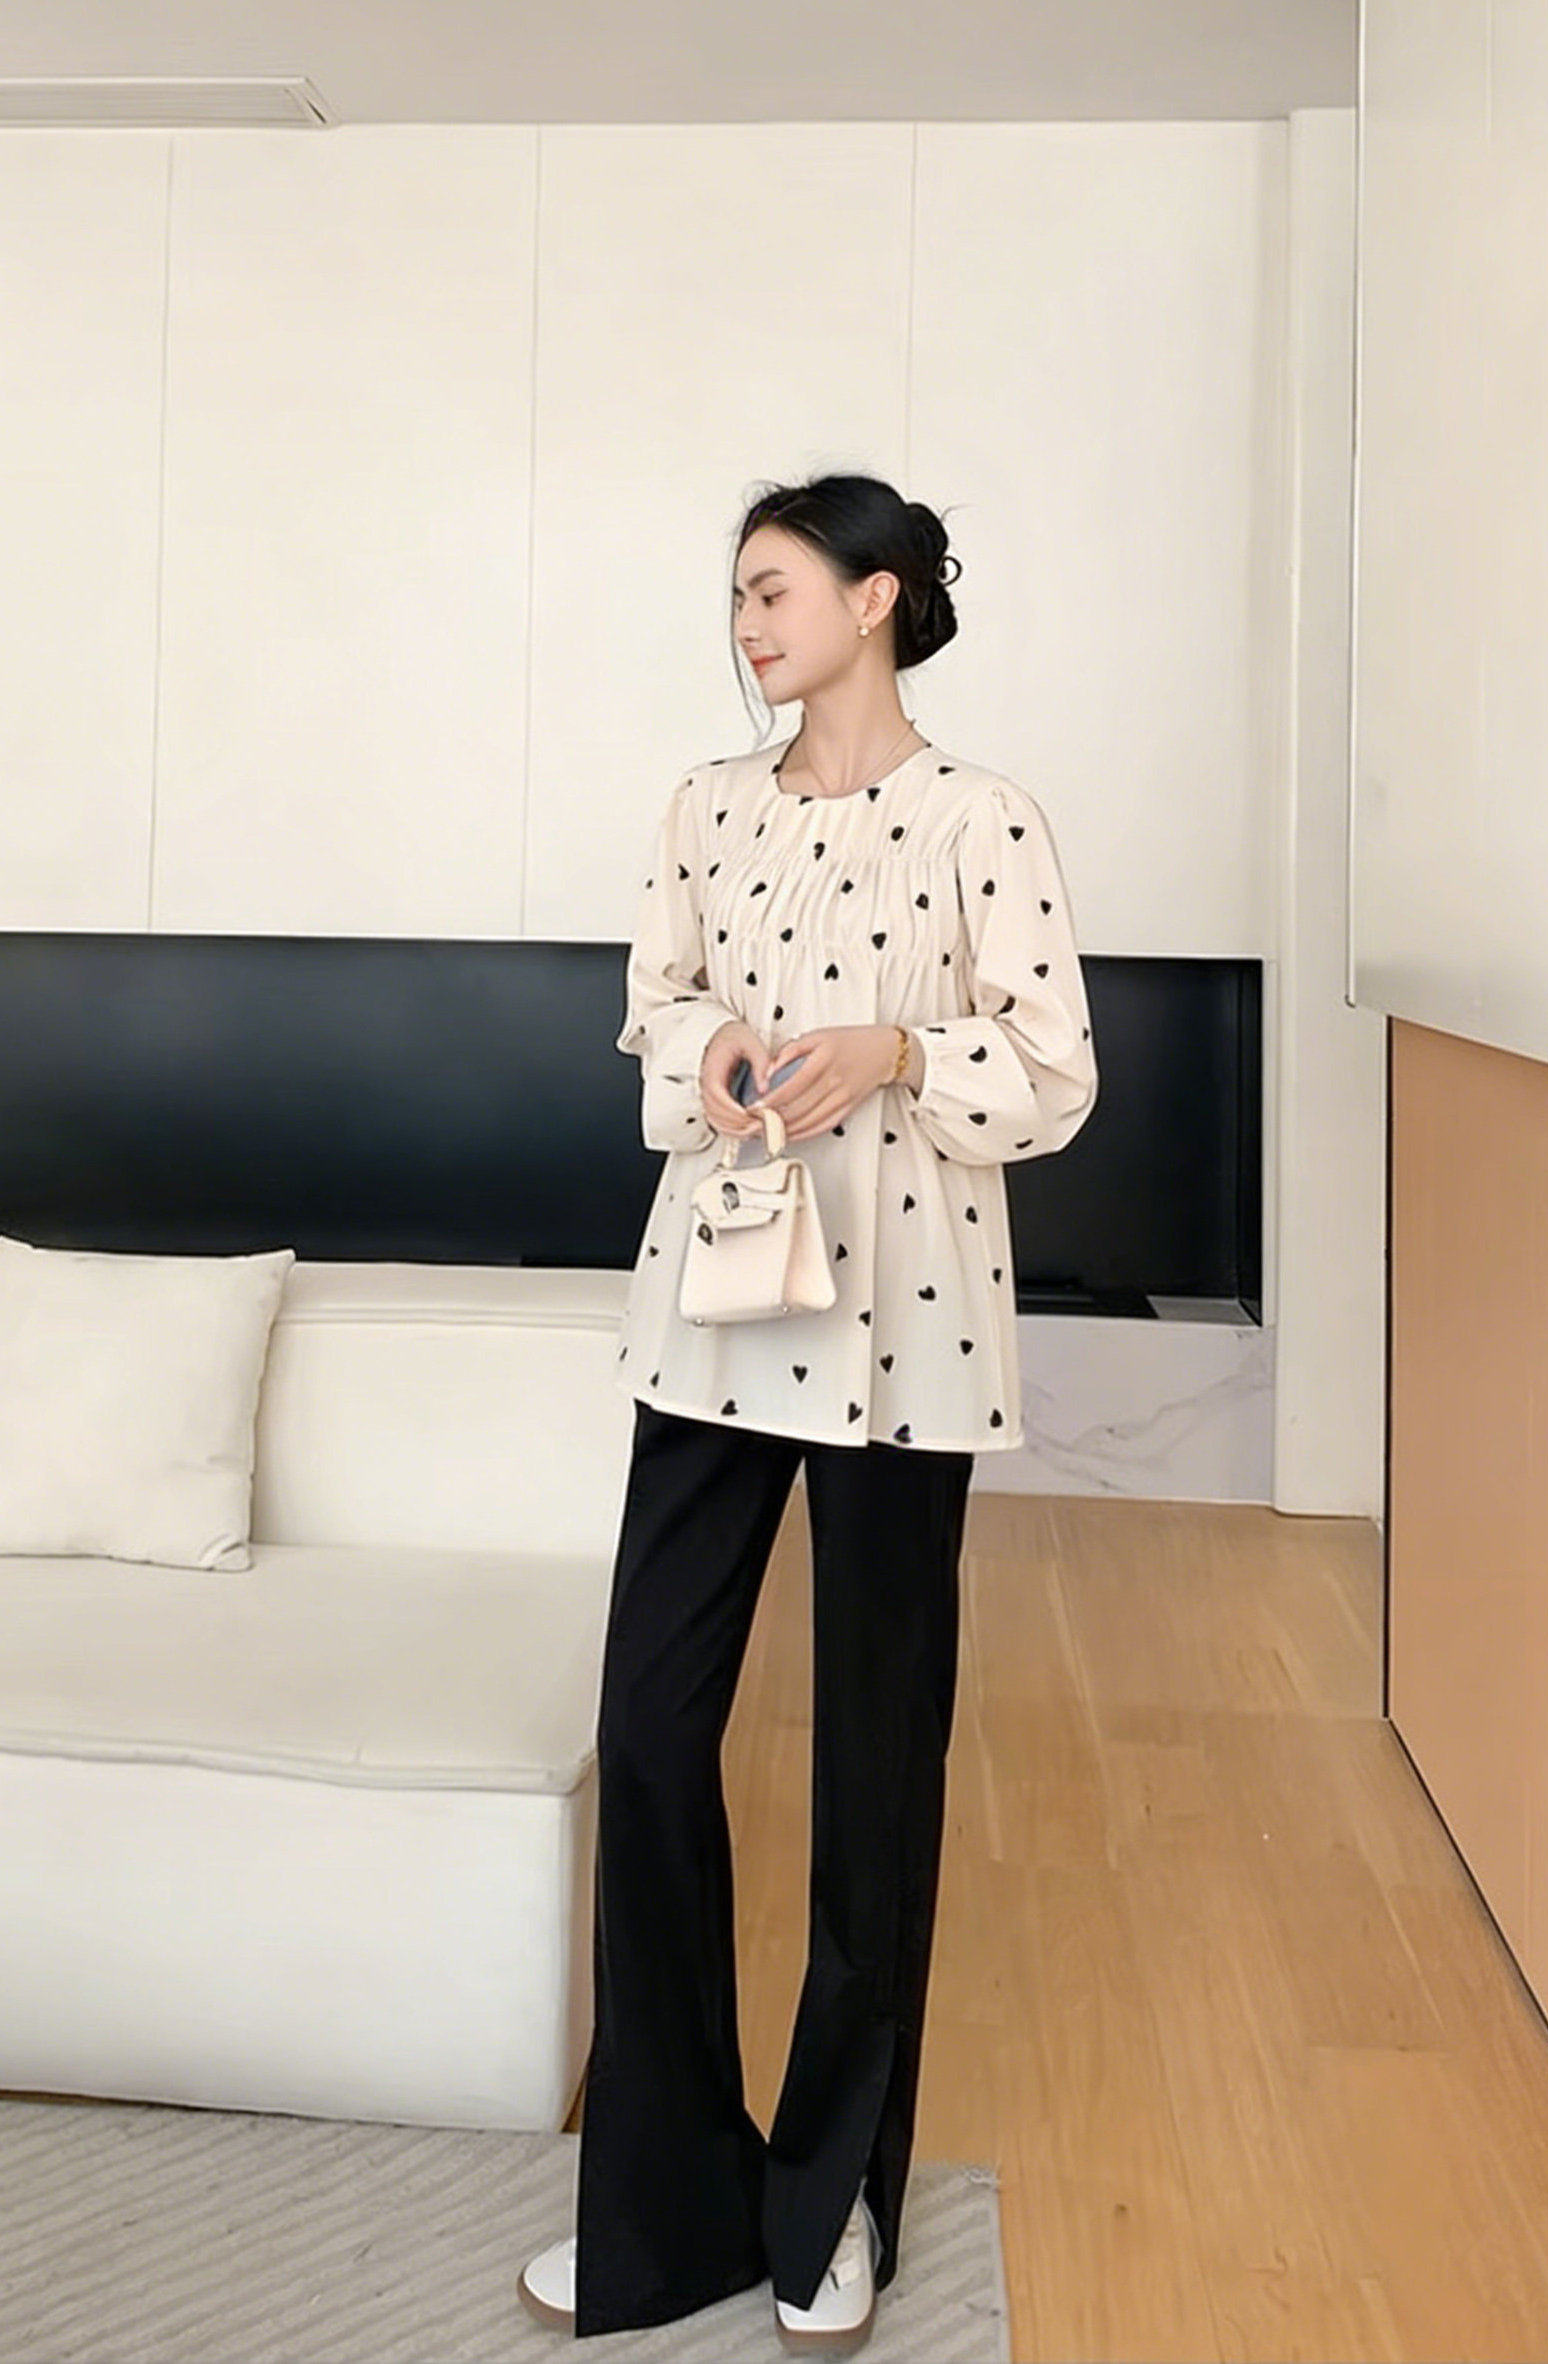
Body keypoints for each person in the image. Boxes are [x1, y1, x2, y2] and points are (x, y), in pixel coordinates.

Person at [517, 474, 1099, 2352]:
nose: (747, 623)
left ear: (876, 597)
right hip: (714, 1315)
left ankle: (829, 2197)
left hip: (904, 1346)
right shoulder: (706, 808)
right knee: (650, 1734)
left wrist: (899, 1051)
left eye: (774, 590)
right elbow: (656, 1010)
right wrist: (721, 1054)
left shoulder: (985, 819)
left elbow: (1053, 1077)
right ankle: (665, 2200)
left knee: (872, 1779)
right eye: (738, 597)